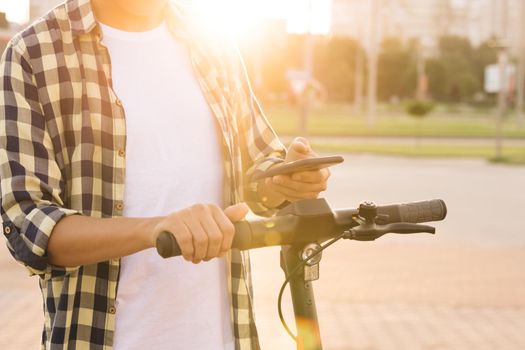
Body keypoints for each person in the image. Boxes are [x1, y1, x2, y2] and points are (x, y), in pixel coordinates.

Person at [0, 0, 330, 349]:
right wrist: (155, 228)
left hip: (222, 338)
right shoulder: (33, 53)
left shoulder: (213, 41)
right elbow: (32, 227)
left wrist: (285, 180)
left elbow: (258, 165)